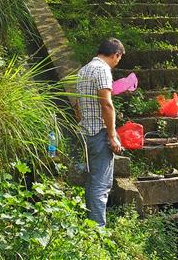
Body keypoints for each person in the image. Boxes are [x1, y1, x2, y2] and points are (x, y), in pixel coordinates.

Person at [76, 38, 125, 227]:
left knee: (92, 181)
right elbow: (106, 104)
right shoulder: (102, 70)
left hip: (85, 131)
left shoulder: (83, 70)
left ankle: (91, 227)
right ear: (115, 55)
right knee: (101, 185)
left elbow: (77, 106)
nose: (117, 62)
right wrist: (112, 135)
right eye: (118, 59)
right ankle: (97, 231)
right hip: (99, 132)